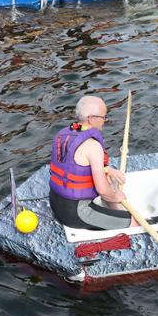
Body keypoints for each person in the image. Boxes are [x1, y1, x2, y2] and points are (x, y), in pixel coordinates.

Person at [49, 96, 135, 230]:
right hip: (76, 213)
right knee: (133, 222)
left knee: (108, 175)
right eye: (103, 117)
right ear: (91, 118)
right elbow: (103, 190)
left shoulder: (64, 133)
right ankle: (118, 214)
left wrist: (108, 170)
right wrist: (115, 196)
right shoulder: (93, 146)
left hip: (55, 202)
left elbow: (73, 166)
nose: (105, 121)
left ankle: (114, 210)